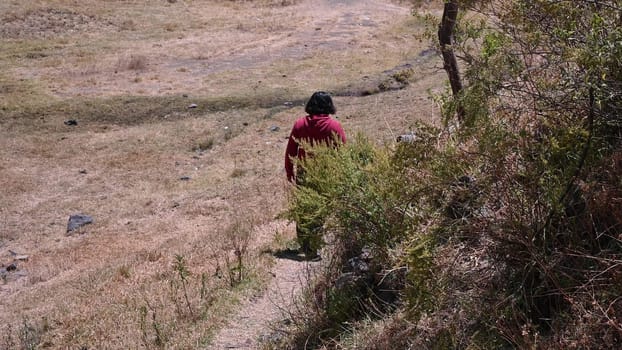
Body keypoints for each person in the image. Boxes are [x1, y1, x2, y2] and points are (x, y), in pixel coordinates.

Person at [284, 91, 346, 259]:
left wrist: (290, 172)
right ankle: (313, 247)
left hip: (304, 171)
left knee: (303, 208)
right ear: (329, 106)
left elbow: (291, 151)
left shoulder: (299, 124)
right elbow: (342, 152)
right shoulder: (334, 126)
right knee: (319, 209)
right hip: (325, 173)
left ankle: (306, 246)